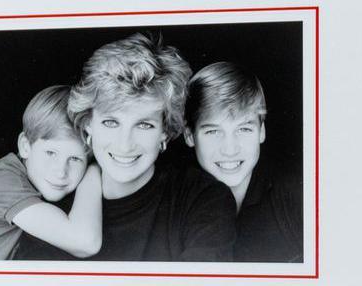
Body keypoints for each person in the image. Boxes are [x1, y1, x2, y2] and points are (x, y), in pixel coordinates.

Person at [13, 33, 236, 261]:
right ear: (88, 124)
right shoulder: (54, 214)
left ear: (165, 131)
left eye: (144, 124)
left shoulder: (202, 199)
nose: (124, 144)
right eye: (111, 122)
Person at [184, 61, 303, 262]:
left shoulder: (296, 198)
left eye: (243, 129)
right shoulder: (174, 204)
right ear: (189, 135)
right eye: (213, 131)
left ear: (261, 131)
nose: (230, 149)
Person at [0, 85, 102, 260]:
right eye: (51, 153)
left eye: (75, 159)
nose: (61, 172)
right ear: (25, 146)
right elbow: (85, 242)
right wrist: (95, 170)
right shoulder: (3, 182)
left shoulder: (25, 178)